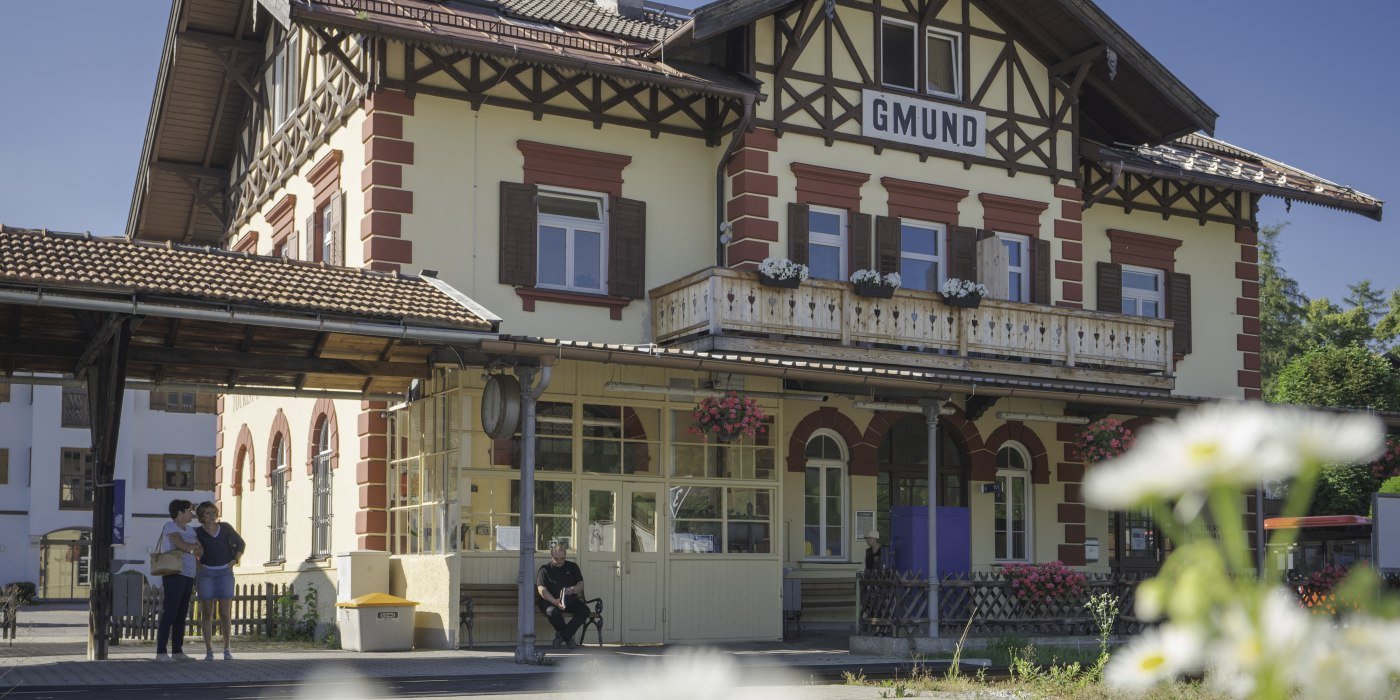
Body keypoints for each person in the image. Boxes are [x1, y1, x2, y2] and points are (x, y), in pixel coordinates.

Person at [194, 501, 245, 661]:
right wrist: (196, 562)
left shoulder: (225, 528)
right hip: (206, 574)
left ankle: (227, 648)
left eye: (213, 512)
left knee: (224, 612)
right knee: (207, 613)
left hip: (225, 572)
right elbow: (191, 549)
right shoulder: (197, 532)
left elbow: (241, 544)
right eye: (207, 513)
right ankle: (209, 650)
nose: (212, 515)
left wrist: (235, 560)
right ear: (202, 517)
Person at [155, 499, 202, 661]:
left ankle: (177, 651)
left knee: (182, 614)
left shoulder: (190, 529)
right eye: (189, 510)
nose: (192, 514)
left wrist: (191, 548)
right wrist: (190, 547)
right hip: (174, 574)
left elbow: (200, 550)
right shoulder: (170, 526)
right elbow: (182, 545)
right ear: (180, 513)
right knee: (170, 613)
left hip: (189, 574)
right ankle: (161, 652)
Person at [535, 542, 589, 648]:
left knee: (585, 611)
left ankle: (562, 636)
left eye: (562, 558)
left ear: (565, 556)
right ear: (551, 557)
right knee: (552, 612)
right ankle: (568, 638)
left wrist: (573, 589)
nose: (559, 561)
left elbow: (581, 584)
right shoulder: (545, 569)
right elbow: (541, 589)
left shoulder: (573, 567)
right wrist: (554, 601)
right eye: (556, 559)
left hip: (569, 599)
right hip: (550, 601)